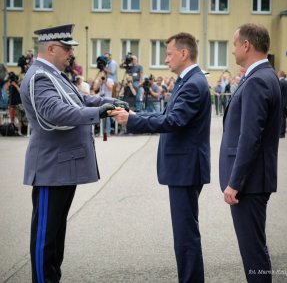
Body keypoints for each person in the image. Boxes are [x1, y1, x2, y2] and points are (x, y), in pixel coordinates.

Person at [19, 24, 128, 283]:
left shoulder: (54, 74)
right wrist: (98, 113)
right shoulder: (39, 77)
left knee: (56, 235)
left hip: (61, 167)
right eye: (67, 48)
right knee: (46, 237)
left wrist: (108, 103)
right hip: (51, 168)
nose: (71, 53)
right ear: (51, 48)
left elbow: (79, 100)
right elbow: (55, 113)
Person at [112, 32, 211, 283]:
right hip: (183, 167)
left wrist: (133, 119)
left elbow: (173, 120)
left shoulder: (192, 83)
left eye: (168, 54)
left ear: (184, 53)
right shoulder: (187, 81)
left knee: (185, 235)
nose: (166, 59)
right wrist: (135, 116)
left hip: (185, 168)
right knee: (184, 234)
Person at [219, 23, 281, 283]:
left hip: (250, 183)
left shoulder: (257, 80)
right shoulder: (264, 76)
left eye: (235, 44)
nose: (233, 51)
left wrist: (235, 183)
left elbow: (250, 138)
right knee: (255, 249)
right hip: (254, 179)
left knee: (253, 252)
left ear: (247, 45)